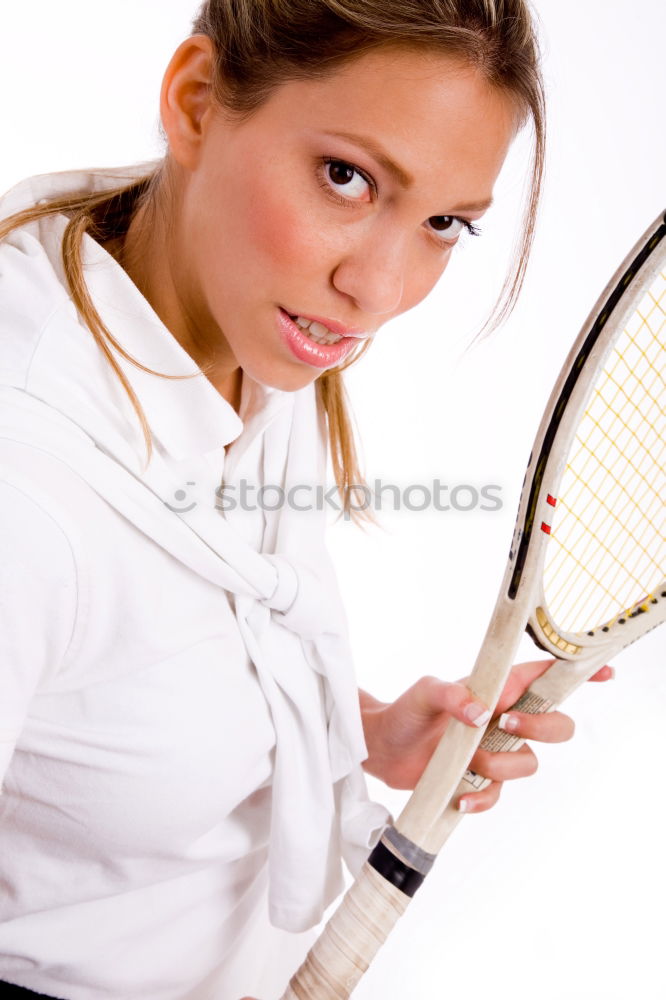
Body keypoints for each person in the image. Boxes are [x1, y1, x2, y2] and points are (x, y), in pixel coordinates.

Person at [0, 2, 613, 998]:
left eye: (444, 224)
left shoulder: (248, 323)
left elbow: (134, 677)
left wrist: (357, 732)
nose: (377, 286)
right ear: (197, 103)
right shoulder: (24, 492)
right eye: (347, 178)